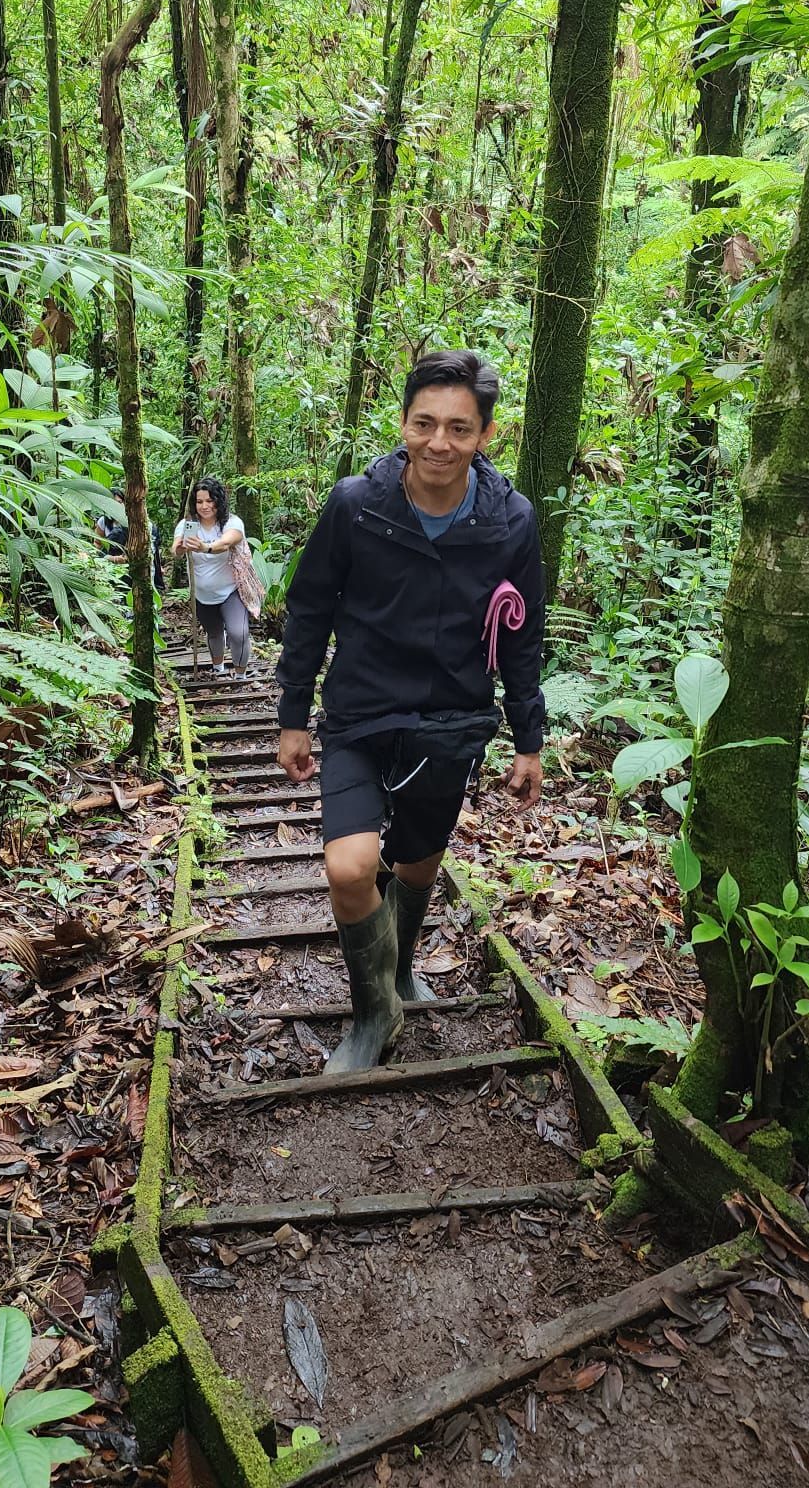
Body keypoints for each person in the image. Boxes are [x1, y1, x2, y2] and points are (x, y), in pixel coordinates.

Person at [276, 349, 544, 1074]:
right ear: (402, 423)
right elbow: (309, 609)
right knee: (350, 866)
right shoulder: (356, 505)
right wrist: (293, 713)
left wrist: (530, 737)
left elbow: (522, 636)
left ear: (486, 434)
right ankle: (374, 1016)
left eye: (459, 428)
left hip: (452, 720)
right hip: (361, 712)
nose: (439, 442)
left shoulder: (509, 521)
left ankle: (395, 971)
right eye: (424, 423)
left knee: (419, 864)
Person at [173, 476, 254, 673]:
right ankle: (218, 669)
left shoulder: (232, 522)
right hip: (202, 594)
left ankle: (240, 676)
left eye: (209, 501)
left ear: (219, 501)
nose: (204, 506)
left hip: (231, 590)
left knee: (239, 633)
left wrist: (205, 547)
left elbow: (226, 542)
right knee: (214, 632)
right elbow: (175, 550)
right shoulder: (188, 524)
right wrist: (181, 547)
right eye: (199, 501)